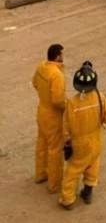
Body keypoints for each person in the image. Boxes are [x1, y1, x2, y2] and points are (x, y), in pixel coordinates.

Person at [59, 61, 106, 210]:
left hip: (79, 144)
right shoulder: (101, 98)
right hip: (96, 140)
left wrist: (67, 142)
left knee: (72, 172)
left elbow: (65, 128)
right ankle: (88, 192)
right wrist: (102, 121)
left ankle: (68, 200)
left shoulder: (72, 103)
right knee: (93, 166)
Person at [32, 43, 66, 193]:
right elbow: (58, 100)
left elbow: (34, 83)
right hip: (52, 116)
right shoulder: (56, 74)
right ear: (58, 56)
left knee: (41, 143)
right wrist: (68, 108)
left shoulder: (41, 67)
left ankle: (40, 174)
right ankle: (54, 184)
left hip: (42, 111)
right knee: (54, 149)